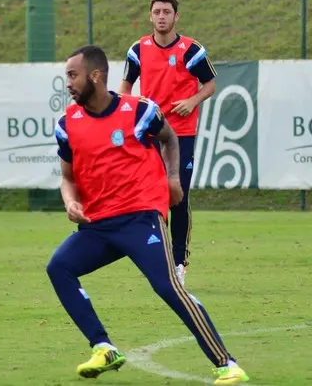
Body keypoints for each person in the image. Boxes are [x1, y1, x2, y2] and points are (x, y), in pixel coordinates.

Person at [47, 44, 248, 385]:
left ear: (95, 76)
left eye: (72, 75)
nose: (67, 83)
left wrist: (172, 178)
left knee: (168, 287)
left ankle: (226, 364)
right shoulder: (68, 124)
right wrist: (70, 203)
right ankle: (103, 347)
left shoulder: (140, 111)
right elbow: (67, 178)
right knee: (59, 267)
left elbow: (169, 139)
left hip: (141, 219)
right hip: (98, 225)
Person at [118, 0, 217, 286]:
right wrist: (135, 109)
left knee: (178, 196)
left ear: (176, 17)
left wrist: (193, 99)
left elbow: (210, 83)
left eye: (167, 12)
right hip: (151, 134)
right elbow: (125, 86)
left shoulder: (191, 49)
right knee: (151, 198)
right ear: (150, 17)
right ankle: (157, 257)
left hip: (182, 133)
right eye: (157, 12)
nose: (162, 16)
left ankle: (179, 263)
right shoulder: (138, 50)